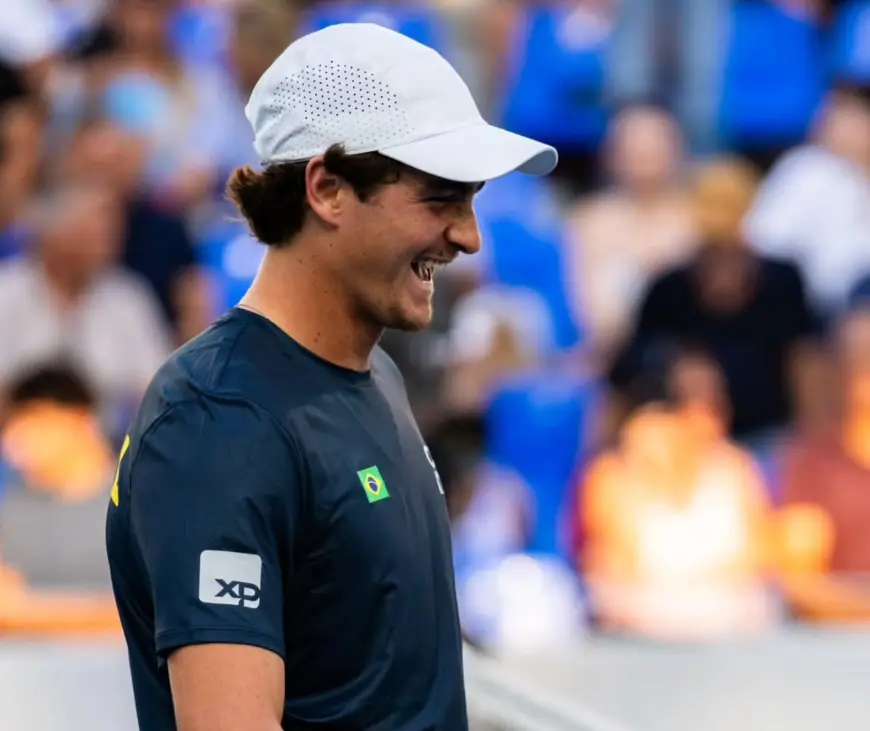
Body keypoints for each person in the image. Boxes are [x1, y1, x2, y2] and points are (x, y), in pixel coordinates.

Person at [105, 22, 556, 731]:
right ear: (327, 188)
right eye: (441, 198)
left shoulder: (377, 375)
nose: (469, 236)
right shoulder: (216, 420)